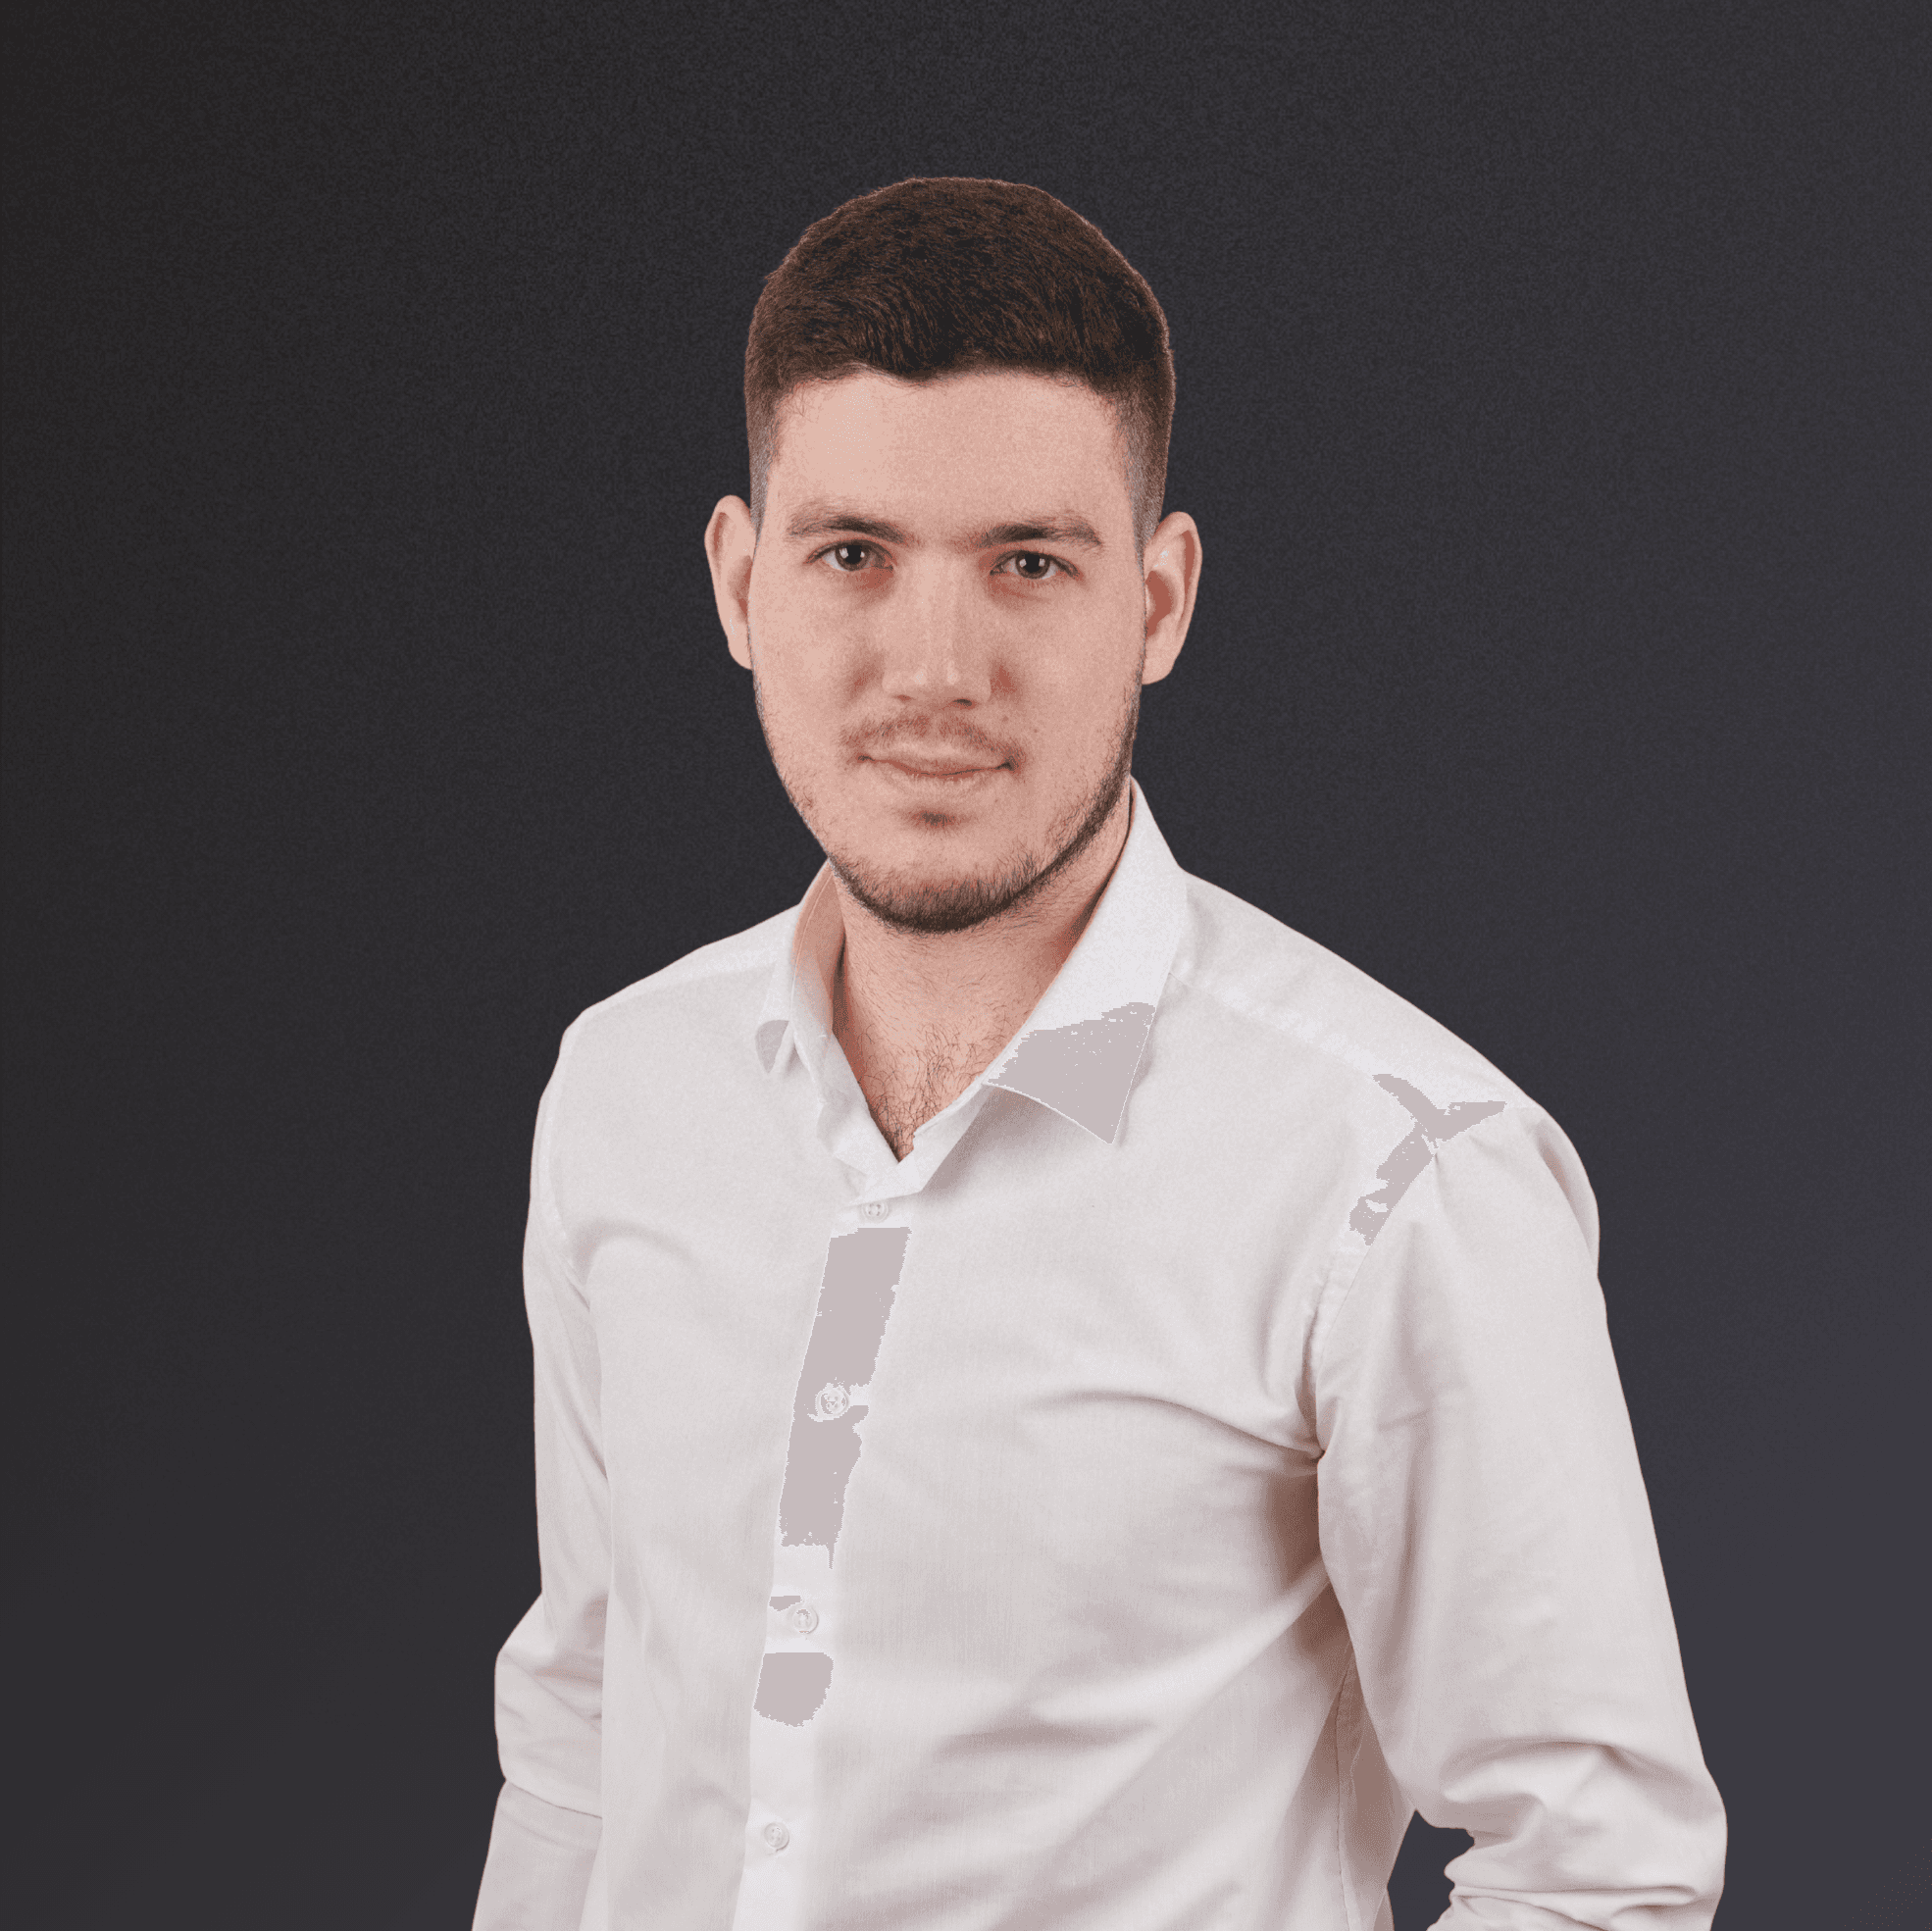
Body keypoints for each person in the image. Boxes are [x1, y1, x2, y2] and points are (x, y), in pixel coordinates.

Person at [471, 176, 1725, 1931]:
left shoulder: (1396, 1169)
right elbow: (587, 1731)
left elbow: (1600, 1871)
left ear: (1158, 599)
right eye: (852, 555)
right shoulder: (625, 1090)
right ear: (741, 585)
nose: (935, 668)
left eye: (1029, 565)